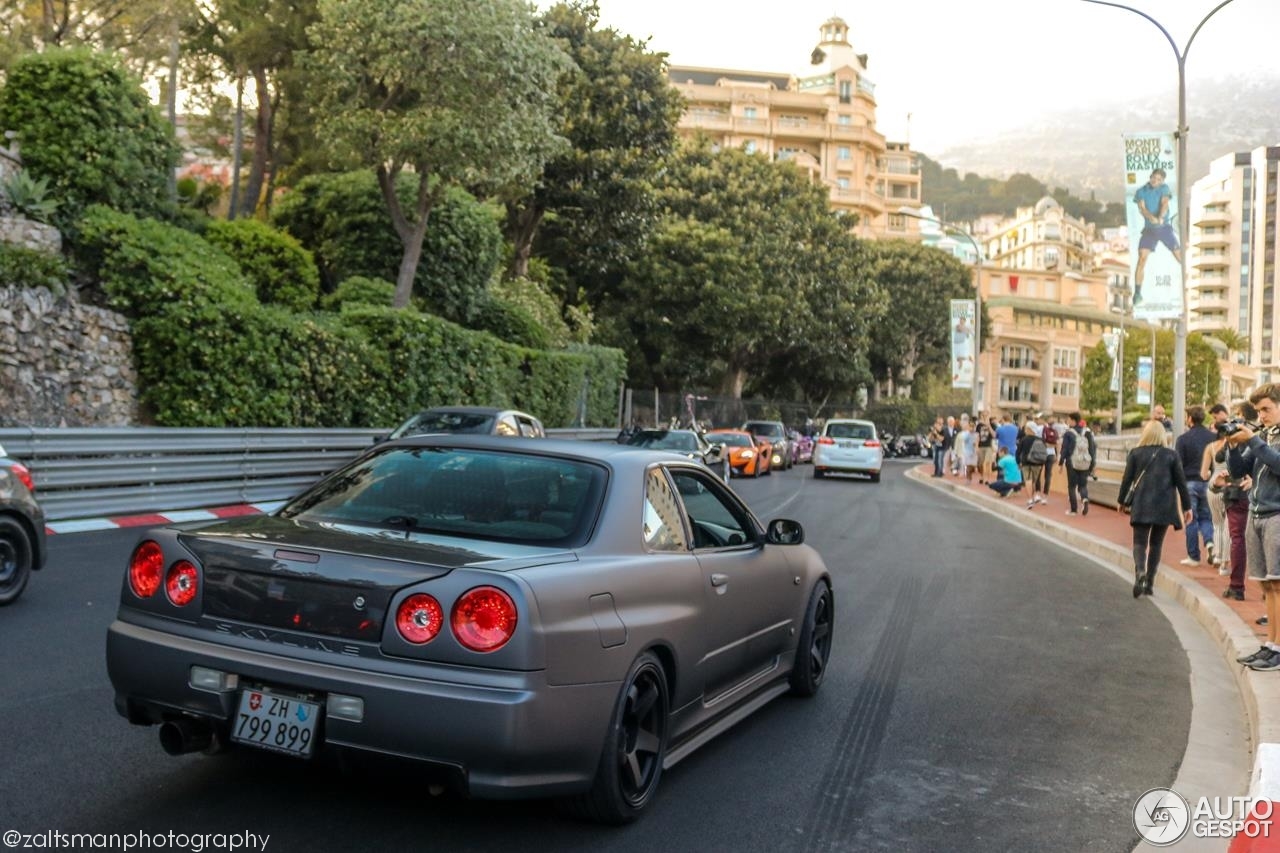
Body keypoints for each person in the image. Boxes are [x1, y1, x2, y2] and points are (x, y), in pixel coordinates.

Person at [1226, 385, 1280, 670]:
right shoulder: (1264, 436)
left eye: (1266, 409)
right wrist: (1233, 446)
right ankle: (1270, 644)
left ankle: (1278, 648)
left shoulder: (1266, 439)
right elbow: (1238, 470)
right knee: (1267, 584)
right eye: (1258, 411)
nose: (1261, 416)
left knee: (1278, 584)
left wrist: (1253, 441)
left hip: (1277, 515)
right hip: (1257, 514)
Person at [1118, 419, 1192, 598]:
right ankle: (1150, 582)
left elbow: (1126, 480)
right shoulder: (1171, 455)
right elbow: (1181, 483)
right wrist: (1187, 507)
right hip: (1165, 505)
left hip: (1142, 503)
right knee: (1156, 544)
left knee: (1139, 543)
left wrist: (1121, 501)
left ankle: (1140, 573)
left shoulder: (1135, 453)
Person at [1132, 168, 1184, 306]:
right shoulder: (1141, 191)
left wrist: (1160, 217)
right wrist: (1151, 218)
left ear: (1162, 181)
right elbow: (1142, 209)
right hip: (1149, 230)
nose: (1156, 181)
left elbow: (1165, 203)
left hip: (1164, 228)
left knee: (1179, 256)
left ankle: (1190, 280)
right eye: (1154, 178)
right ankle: (1137, 294)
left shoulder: (1164, 188)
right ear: (1150, 177)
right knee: (1142, 258)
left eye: (1159, 179)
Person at [1175, 405, 1218, 567]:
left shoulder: (1183, 439)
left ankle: (1193, 556)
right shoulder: (1212, 437)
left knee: (1190, 518)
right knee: (1207, 517)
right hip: (1208, 483)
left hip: (1189, 483)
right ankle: (1209, 542)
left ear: (1190, 419)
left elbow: (1178, 465)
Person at [1059, 411, 1096, 516]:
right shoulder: (1087, 432)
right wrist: (1092, 463)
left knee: (1071, 486)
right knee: (1083, 485)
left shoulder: (1069, 433)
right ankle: (1084, 499)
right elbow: (1092, 449)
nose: (1067, 421)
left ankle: (1074, 510)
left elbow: (1064, 449)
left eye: (1068, 419)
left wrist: (1061, 462)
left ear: (1073, 420)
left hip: (1072, 462)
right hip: (1085, 461)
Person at [1017, 422, 1046, 508]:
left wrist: (1018, 462)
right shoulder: (1040, 440)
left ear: (1029, 429)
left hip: (1026, 463)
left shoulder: (1024, 439)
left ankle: (1030, 499)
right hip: (1037, 463)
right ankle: (1033, 497)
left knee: (1028, 480)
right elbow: (1044, 452)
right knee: (1034, 480)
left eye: (1026, 428)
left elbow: (1018, 452)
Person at [1039, 412, 1059, 497]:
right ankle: (1045, 494)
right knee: (1048, 475)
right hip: (1051, 454)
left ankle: (1037, 492)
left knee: (1038, 473)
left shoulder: (1041, 429)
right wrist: (1057, 456)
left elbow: (1040, 441)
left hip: (1042, 453)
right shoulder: (1055, 431)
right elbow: (1057, 444)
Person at [975, 417, 995, 485]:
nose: (984, 420)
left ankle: (987, 479)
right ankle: (982, 477)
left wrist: (989, 426)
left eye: (986, 418)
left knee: (986, 463)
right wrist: (976, 446)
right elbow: (977, 436)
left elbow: (994, 435)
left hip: (988, 446)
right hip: (981, 446)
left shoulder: (992, 425)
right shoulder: (979, 426)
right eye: (983, 418)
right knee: (980, 464)